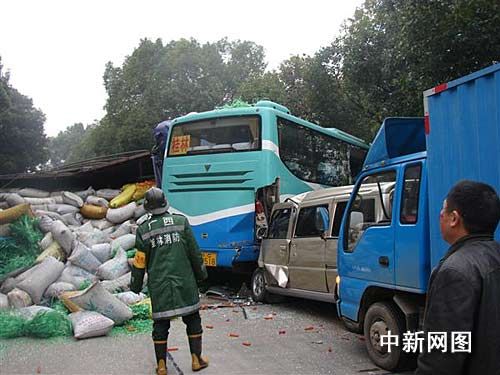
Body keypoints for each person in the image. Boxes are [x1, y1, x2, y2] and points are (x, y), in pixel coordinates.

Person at [416, 180, 500, 375]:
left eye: (444, 208)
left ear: (454, 218)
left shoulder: (455, 271)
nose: (440, 214)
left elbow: (441, 358)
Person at [130, 187, 209, 375]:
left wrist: (135, 285)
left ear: (148, 208)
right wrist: (202, 276)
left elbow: (139, 262)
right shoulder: (181, 222)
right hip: (184, 282)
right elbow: (194, 254)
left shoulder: (143, 230)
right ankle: (196, 359)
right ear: (165, 203)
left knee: (160, 324)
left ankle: (161, 365)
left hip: (160, 285)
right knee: (192, 319)